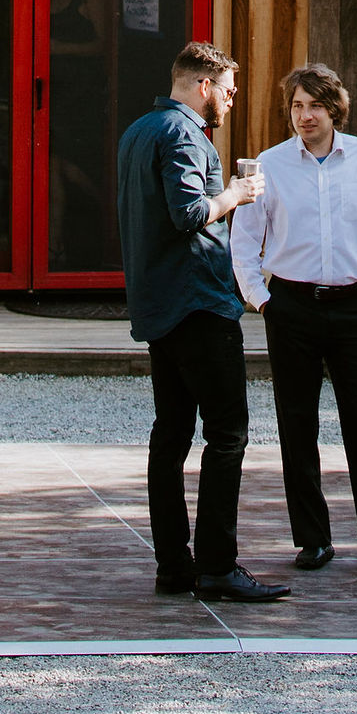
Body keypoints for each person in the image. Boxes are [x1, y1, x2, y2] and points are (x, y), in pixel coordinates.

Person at [230, 62, 357, 578]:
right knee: (297, 425)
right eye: (296, 105)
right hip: (290, 307)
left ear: (334, 107)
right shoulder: (269, 166)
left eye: (315, 105)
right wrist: (262, 301)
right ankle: (313, 540)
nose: (305, 115)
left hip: (356, 307)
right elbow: (245, 242)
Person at [115, 41, 290, 605]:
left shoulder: (138, 130)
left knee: (170, 437)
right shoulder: (184, 133)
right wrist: (235, 194)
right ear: (203, 85)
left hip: (157, 302)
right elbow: (188, 213)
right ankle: (216, 566)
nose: (232, 103)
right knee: (227, 433)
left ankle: (174, 565)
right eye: (230, 91)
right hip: (197, 302)